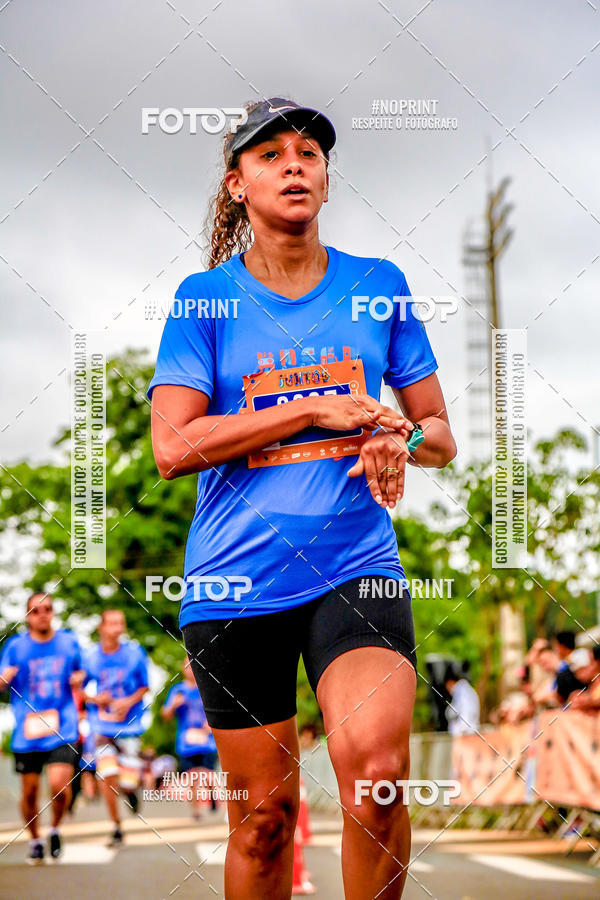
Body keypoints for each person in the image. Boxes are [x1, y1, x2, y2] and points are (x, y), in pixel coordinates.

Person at [148, 96, 457, 899]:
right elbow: (173, 448)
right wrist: (311, 409)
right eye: (271, 154)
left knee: (381, 782)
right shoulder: (203, 299)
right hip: (234, 584)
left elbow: (438, 433)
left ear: (325, 178)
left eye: (310, 153)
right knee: (264, 825)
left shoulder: (376, 286)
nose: (295, 163)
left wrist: (399, 438)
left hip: (356, 567)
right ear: (235, 185)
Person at [0, 592, 85, 862]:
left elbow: (84, 672)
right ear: (28, 617)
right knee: (30, 792)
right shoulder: (15, 647)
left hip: (62, 725)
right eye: (35, 610)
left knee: (60, 786)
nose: (42, 614)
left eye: (47, 608)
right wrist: (4, 679)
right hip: (29, 731)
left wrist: (80, 677)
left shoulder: (69, 642)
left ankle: (55, 828)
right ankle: (35, 839)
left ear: (53, 612)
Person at [83, 609, 150, 847]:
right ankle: (116, 826)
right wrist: (94, 699)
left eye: (120, 623)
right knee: (107, 775)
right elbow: (78, 690)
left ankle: (130, 791)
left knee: (127, 780)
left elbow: (145, 687)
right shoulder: (90, 656)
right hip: (101, 726)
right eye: (111, 623)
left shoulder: (134, 653)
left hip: (131, 726)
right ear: (101, 627)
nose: (117, 627)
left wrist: (127, 702)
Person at [161, 657, 219, 819]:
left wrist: (210, 725)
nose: (190, 669)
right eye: (187, 666)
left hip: (206, 740)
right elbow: (165, 715)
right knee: (192, 777)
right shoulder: (178, 690)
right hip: (186, 741)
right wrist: (174, 705)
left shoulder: (206, 688)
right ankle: (196, 810)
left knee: (208, 773)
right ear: (183, 669)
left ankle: (212, 796)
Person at [444, 667, 480, 736]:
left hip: (465, 733)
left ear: (450, 682)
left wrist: (463, 728)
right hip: (468, 731)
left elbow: (466, 708)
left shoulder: (462, 691)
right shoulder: (465, 689)